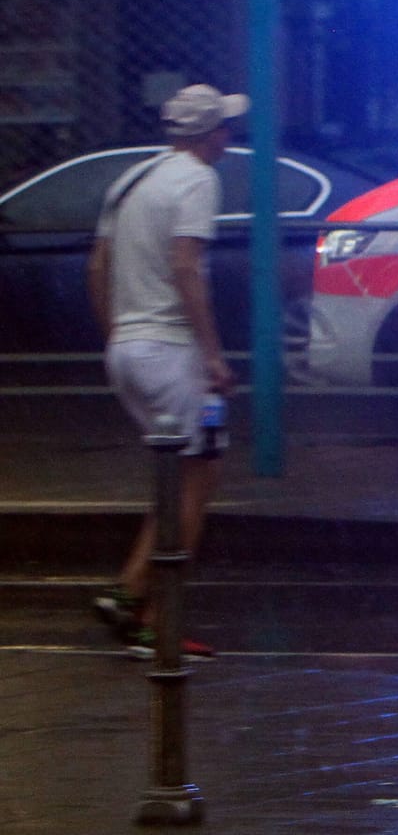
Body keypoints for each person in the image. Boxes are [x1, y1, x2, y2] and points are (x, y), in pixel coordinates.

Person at [85, 83, 248, 660]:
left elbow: (98, 265)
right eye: (225, 128)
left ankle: (133, 600)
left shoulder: (130, 180)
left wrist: (118, 338)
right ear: (210, 136)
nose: (230, 136)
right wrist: (211, 354)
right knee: (199, 481)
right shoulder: (199, 180)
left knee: (174, 479)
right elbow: (186, 266)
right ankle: (148, 610)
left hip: (127, 348)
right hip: (172, 351)